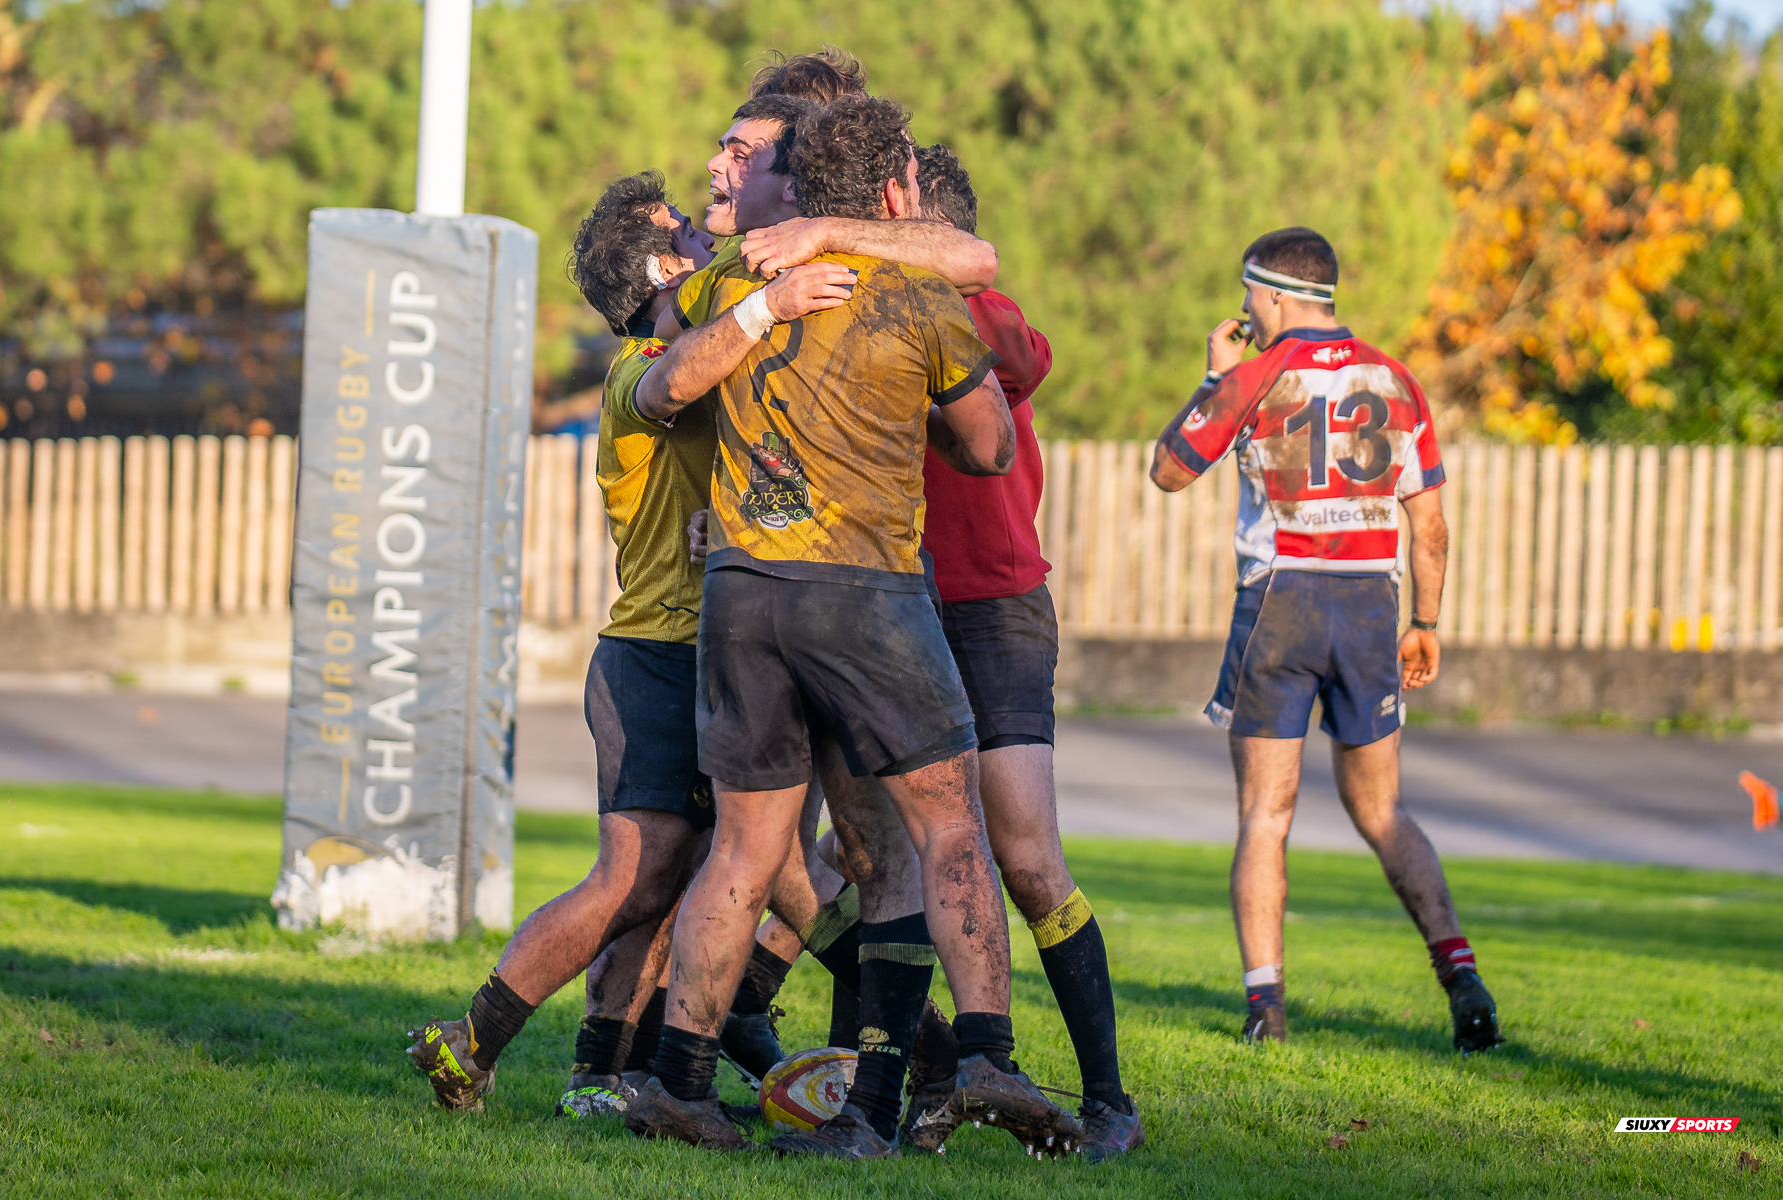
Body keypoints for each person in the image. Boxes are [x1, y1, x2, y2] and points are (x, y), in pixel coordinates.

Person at [621, 93, 1079, 1159]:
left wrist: (760, 313)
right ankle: (982, 1057)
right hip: (865, 593)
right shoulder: (913, 294)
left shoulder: (732, 282)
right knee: (942, 829)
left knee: (746, 846)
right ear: (897, 191)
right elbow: (985, 448)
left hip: (741, 596)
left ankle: (678, 1082)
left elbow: (655, 388)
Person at [404, 172, 860, 1114]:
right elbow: (682, 382)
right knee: (666, 874)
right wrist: (771, 297)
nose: (710, 235)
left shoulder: (707, 342)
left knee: (673, 878)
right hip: (657, 657)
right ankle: (920, 1037)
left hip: (705, 650)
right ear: (664, 266)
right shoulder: (638, 374)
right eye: (690, 232)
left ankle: (594, 1070)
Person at [1148, 227, 1503, 1055]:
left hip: (1283, 599)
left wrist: (1214, 375)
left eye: (1249, 296)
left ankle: (1266, 1010)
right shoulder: (1397, 378)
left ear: (1275, 295)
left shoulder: (1255, 374)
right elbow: (1433, 526)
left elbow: (1168, 469)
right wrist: (1427, 623)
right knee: (1382, 809)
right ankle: (1460, 973)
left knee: (1265, 816)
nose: (1244, 311)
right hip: (1373, 605)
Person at [875, 144, 1143, 1163]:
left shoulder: (980, 312)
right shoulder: (859, 304)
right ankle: (917, 1081)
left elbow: (1026, 357)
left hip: (994, 604)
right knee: (871, 862)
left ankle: (1109, 1098)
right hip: (888, 603)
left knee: (1026, 855)